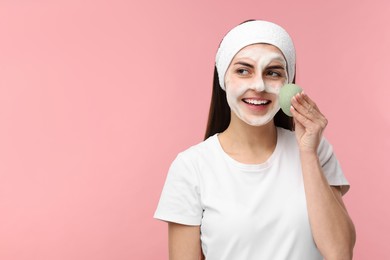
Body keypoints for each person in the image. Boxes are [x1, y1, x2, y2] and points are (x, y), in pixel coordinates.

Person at [154, 20, 356, 260]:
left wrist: (308, 153)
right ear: (223, 79)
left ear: (287, 84)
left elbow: (340, 253)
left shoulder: (315, 149)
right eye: (243, 70)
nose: (259, 85)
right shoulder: (191, 167)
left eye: (272, 72)